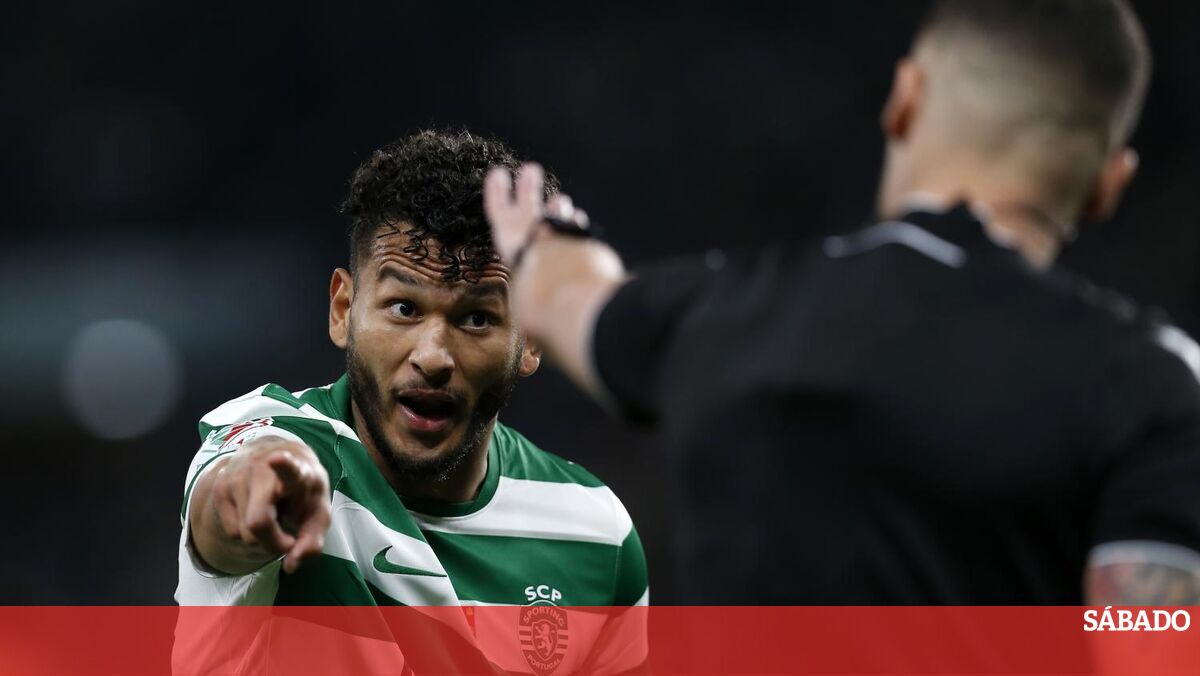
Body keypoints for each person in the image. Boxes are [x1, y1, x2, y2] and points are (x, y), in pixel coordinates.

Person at [483, 0, 1200, 604]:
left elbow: (567, 296)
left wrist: (539, 241)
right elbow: (1149, 646)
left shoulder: (720, 316)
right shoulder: (1150, 387)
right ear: (1109, 183)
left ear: (905, 99)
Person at [175, 130, 648, 673]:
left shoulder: (596, 531)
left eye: (477, 318)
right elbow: (229, 499)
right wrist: (254, 490)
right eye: (404, 308)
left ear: (533, 339)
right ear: (343, 310)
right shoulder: (279, 439)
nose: (433, 356)